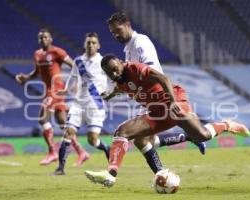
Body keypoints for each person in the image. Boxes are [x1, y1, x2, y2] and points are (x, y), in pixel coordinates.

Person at [84, 55, 250, 187]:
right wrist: (110, 95)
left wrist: (172, 102)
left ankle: (227, 124)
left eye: (115, 69)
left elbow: (163, 79)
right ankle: (111, 174)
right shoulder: (119, 81)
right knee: (123, 132)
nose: (114, 74)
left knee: (202, 135)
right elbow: (122, 87)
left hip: (172, 103)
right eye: (109, 73)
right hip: (156, 112)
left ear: (121, 62)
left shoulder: (135, 68)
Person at [105, 12, 206, 174]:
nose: (116, 35)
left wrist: (132, 87)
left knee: (140, 139)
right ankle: (167, 167)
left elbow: (150, 73)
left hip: (159, 97)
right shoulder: (129, 49)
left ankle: (162, 170)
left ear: (127, 25)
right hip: (148, 99)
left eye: (118, 30)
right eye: (112, 33)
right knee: (143, 140)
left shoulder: (140, 43)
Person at [15, 28, 89, 166]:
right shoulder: (37, 54)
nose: (43, 39)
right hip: (48, 90)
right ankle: (81, 152)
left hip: (56, 90)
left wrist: (75, 81)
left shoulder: (57, 52)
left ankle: (52, 152)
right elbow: (37, 72)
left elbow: (74, 65)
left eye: (46, 37)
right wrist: (26, 78)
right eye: (41, 38)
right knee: (62, 123)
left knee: (42, 119)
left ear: (51, 39)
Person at [52, 32, 110, 175]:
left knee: (92, 140)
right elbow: (72, 78)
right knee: (68, 133)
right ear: (84, 44)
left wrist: (109, 91)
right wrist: (65, 90)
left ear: (98, 45)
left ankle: (107, 149)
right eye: (88, 42)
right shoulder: (78, 61)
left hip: (95, 105)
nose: (90, 45)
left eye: (93, 43)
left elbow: (112, 79)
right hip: (78, 104)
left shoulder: (104, 62)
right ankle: (60, 169)